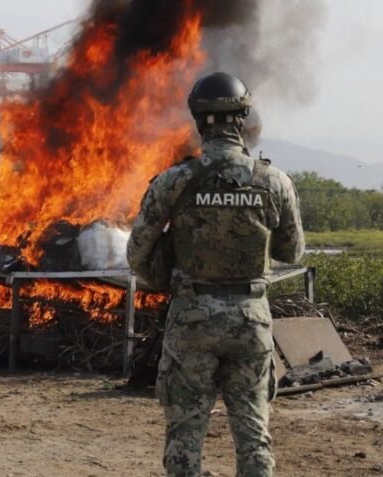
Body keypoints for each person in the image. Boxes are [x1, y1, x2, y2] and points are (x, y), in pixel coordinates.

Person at [127, 72, 304, 477]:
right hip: (251, 319)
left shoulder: (174, 181)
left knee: (185, 431)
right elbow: (291, 250)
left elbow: (137, 254)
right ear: (243, 118)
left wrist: (168, 276)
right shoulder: (273, 181)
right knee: (254, 431)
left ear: (196, 118)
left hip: (190, 318)